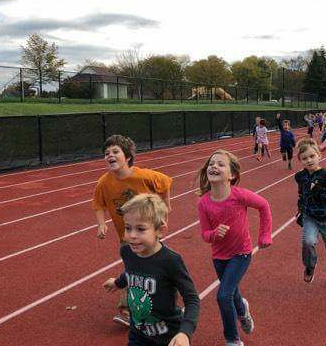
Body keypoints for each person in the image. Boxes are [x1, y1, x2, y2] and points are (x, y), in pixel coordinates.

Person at [93, 134, 173, 326]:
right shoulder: (104, 182)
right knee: (136, 267)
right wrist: (101, 223)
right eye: (106, 153)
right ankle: (133, 308)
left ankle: (134, 308)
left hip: (149, 233)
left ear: (127, 157)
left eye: (115, 151)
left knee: (143, 267)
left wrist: (166, 206)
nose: (109, 155)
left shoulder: (144, 176)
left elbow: (165, 182)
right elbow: (98, 204)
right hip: (126, 236)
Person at [197, 150, 272, 346]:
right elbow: (205, 235)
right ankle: (242, 309)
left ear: (232, 175)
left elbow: (264, 206)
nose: (214, 166)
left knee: (223, 295)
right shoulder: (203, 203)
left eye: (220, 164)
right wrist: (214, 234)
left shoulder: (239, 196)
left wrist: (264, 234)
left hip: (241, 253)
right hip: (219, 256)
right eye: (211, 164)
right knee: (231, 291)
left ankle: (232, 339)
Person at [103, 194, 199, 346]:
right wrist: (118, 282)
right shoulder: (127, 252)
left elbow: (192, 299)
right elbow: (131, 270)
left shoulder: (170, 261)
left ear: (160, 231)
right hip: (138, 332)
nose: (132, 235)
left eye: (141, 229)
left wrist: (184, 332)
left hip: (168, 336)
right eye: (128, 228)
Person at [295, 138, 326, 287]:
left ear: (319, 156)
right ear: (300, 160)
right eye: (304, 158)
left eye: (312, 156)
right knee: (308, 241)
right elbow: (302, 195)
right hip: (310, 217)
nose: (309, 160)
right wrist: (300, 209)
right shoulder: (300, 177)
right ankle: (310, 265)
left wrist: (319, 191)